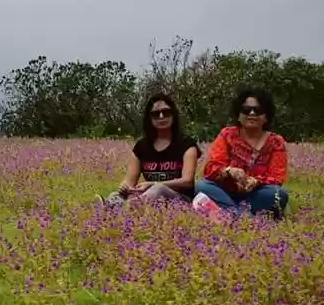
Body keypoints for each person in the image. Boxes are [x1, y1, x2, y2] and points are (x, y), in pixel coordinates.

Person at [195, 87, 289, 218]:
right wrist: (229, 171)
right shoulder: (227, 135)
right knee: (202, 186)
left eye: (258, 111)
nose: (251, 113)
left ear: (266, 116)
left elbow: (277, 177)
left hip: (256, 195)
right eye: (246, 110)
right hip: (226, 191)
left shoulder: (276, 142)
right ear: (239, 115)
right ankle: (244, 216)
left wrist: (256, 181)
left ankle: (227, 213)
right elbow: (211, 168)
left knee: (279, 194)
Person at [100, 93, 200, 207]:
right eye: (155, 114)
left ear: (173, 115)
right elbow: (130, 181)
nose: (161, 116)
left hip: (179, 200)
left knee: (159, 189)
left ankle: (123, 207)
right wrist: (125, 187)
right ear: (150, 118)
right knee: (116, 194)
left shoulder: (187, 144)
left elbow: (187, 181)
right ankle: (115, 205)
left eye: (166, 112)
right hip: (149, 195)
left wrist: (152, 184)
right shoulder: (141, 147)